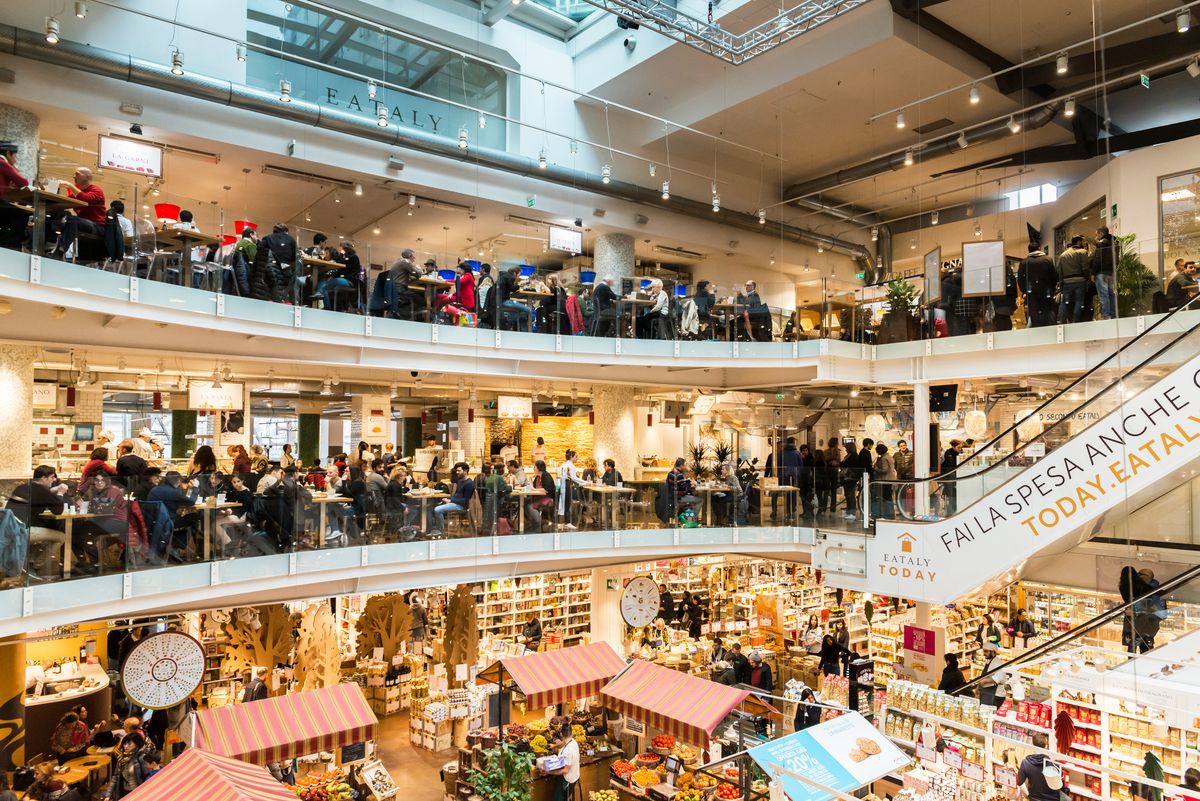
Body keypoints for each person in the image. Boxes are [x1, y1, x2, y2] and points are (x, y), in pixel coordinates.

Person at [53, 166, 107, 260]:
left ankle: (60, 250)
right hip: (85, 223)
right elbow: (69, 200)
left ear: (87, 177)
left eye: (77, 174)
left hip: (98, 226)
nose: (74, 176)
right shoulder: (77, 190)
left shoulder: (97, 190)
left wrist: (70, 185)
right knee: (59, 218)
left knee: (73, 220)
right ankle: (48, 245)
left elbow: (85, 198)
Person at [6, 465, 66, 530]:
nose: (54, 479)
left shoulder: (22, 487)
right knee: (60, 534)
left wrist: (51, 491)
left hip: (11, 527)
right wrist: (60, 493)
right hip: (26, 530)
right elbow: (58, 510)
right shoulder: (41, 490)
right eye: (52, 477)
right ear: (43, 478)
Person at [1018, 243, 1058, 328]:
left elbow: (1020, 280)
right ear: (1039, 248)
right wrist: (1052, 288)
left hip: (1031, 293)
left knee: (1034, 313)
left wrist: (1025, 290)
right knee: (1047, 312)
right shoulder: (1048, 260)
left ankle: (1037, 334)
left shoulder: (1024, 262)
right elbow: (1054, 276)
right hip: (1046, 292)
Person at [0, 141, 30, 249]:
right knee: (21, 214)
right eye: (15, 155)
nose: (15, 159)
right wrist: (13, 168)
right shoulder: (2, 163)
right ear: (8, 153)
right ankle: (11, 244)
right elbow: (23, 182)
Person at [1015, 734, 1063, 801]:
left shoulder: (1026, 763)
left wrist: (1028, 795)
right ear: (1046, 746)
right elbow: (1060, 783)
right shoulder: (1054, 764)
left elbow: (1020, 782)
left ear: (1032, 745)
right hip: (1053, 798)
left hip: (1035, 798)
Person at [1056, 235, 1091, 324]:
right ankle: (1076, 320)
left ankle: (1060, 319)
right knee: (1079, 301)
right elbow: (1085, 267)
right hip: (1080, 280)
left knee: (1065, 302)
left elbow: (1059, 270)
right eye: (1082, 241)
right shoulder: (1082, 252)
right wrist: (1088, 278)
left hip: (1067, 281)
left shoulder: (1063, 255)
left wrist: (1061, 284)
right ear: (1079, 242)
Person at [544, 717, 581, 801]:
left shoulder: (568, 751)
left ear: (561, 735)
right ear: (571, 733)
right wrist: (554, 746)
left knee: (559, 798)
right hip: (574, 775)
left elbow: (565, 770)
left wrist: (549, 771)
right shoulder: (573, 741)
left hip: (567, 780)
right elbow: (564, 742)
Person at [432, 462, 474, 535]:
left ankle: (441, 531)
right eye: (457, 471)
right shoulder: (461, 481)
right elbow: (456, 495)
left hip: (461, 506)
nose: (457, 472)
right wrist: (448, 499)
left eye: (459, 471)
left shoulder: (469, 483)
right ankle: (435, 528)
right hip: (455, 503)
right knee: (432, 506)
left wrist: (450, 500)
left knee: (437, 510)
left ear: (465, 471)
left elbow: (465, 501)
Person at [106, 732, 149, 798]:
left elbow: (147, 777)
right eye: (125, 744)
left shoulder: (142, 757)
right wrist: (108, 795)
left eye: (129, 744)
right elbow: (115, 777)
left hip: (138, 793)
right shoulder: (122, 757)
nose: (126, 746)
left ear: (137, 744)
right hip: (124, 791)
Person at [1091, 226, 1117, 320]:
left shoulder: (1102, 243)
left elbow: (1098, 259)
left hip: (1101, 272)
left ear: (1101, 233)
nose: (1096, 236)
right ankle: (1113, 314)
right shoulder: (1114, 243)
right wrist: (1114, 270)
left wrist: (1093, 272)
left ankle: (1106, 315)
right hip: (1110, 272)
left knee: (1103, 295)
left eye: (1096, 234)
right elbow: (1117, 259)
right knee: (1111, 294)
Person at [556, 450, 586, 529]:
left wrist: (582, 483)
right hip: (566, 484)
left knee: (562, 503)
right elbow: (573, 477)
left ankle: (562, 522)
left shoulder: (564, 464)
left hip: (561, 484)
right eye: (576, 456)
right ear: (571, 457)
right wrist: (585, 482)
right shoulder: (571, 465)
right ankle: (567, 522)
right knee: (567, 503)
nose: (577, 458)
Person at [497, 264, 531, 329]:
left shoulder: (503, 276)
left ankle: (511, 321)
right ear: (515, 273)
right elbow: (512, 288)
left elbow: (510, 288)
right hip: (504, 301)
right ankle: (509, 320)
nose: (519, 276)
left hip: (499, 300)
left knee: (522, 310)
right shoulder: (511, 277)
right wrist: (519, 284)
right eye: (519, 274)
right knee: (527, 309)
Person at [977, 641, 1006, 707]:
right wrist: (978, 687)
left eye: (986, 651)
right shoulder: (989, 662)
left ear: (993, 652)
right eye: (984, 651)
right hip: (987, 693)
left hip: (996, 695)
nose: (984, 654)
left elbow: (999, 677)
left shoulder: (998, 663)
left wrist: (983, 681)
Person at [939, 439, 963, 515]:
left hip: (958, 477)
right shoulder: (948, 453)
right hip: (950, 477)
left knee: (958, 493)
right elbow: (950, 466)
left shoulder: (961, 453)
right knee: (951, 494)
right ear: (953, 446)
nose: (960, 449)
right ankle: (951, 510)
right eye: (958, 447)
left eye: (961, 447)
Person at [873, 442, 896, 518]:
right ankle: (890, 514)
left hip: (885, 480)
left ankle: (888, 514)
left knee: (886, 498)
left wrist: (876, 468)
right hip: (890, 479)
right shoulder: (889, 456)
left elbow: (884, 470)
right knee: (889, 497)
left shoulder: (884, 458)